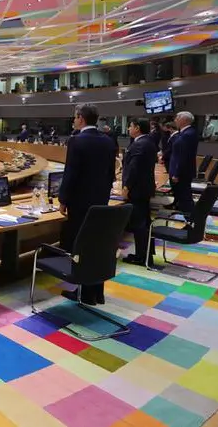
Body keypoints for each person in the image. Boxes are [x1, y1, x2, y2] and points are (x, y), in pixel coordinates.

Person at [57, 104, 116, 305]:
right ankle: (96, 292)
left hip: (80, 202)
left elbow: (70, 173)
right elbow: (110, 173)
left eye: (74, 117)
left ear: (81, 118)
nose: (73, 121)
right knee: (96, 245)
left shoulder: (76, 140)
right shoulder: (108, 141)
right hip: (101, 200)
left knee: (80, 246)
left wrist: (63, 199)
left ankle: (83, 291)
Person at [121, 118, 158, 266]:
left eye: (130, 126)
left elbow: (133, 169)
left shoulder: (139, 144)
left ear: (137, 128)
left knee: (139, 224)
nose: (129, 129)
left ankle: (142, 257)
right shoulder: (149, 142)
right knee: (144, 222)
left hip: (137, 190)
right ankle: (146, 254)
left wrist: (126, 187)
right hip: (145, 188)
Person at [169, 111, 198, 212]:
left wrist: (177, 173)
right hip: (181, 170)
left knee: (184, 196)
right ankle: (180, 210)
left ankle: (189, 219)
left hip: (182, 172)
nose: (175, 120)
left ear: (184, 120)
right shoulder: (185, 132)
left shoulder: (188, 134)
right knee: (181, 195)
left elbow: (183, 156)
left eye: (177, 118)